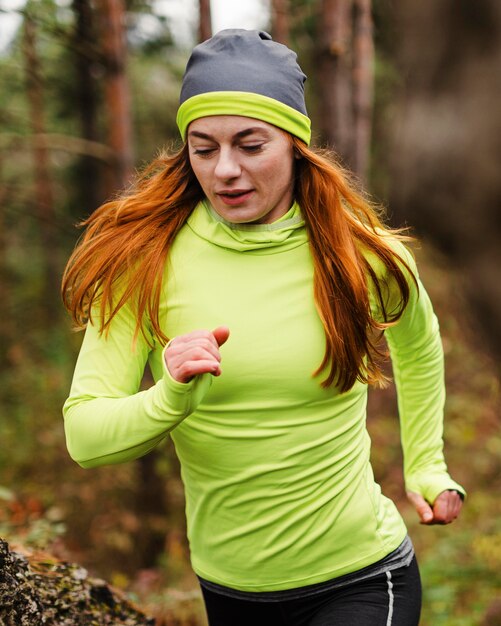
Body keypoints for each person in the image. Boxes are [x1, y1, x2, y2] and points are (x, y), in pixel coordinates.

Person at [62, 29, 464, 626]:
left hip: (360, 574)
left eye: (251, 145)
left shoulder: (360, 255)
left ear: (296, 145)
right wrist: (168, 395)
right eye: (204, 148)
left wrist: (426, 464)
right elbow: (87, 437)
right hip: (231, 590)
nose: (225, 170)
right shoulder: (144, 261)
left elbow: (420, 348)